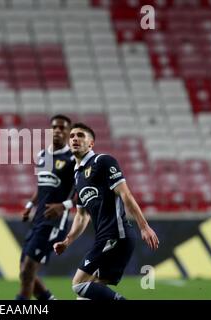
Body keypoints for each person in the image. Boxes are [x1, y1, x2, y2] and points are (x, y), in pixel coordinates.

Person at [52, 123, 159, 300]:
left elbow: (125, 194)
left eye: (80, 135)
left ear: (91, 143)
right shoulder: (78, 175)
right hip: (106, 237)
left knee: (78, 285)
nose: (75, 139)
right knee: (85, 297)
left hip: (115, 235)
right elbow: (82, 215)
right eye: (71, 136)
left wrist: (144, 226)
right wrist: (67, 240)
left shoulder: (102, 161)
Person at [16, 114, 76, 300]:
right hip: (37, 220)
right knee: (24, 273)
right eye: (55, 127)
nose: (58, 131)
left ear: (68, 133)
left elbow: (82, 192)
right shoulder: (43, 155)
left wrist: (63, 206)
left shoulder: (73, 159)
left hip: (54, 222)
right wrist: (29, 205)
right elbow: (42, 186)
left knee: (27, 271)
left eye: (62, 128)